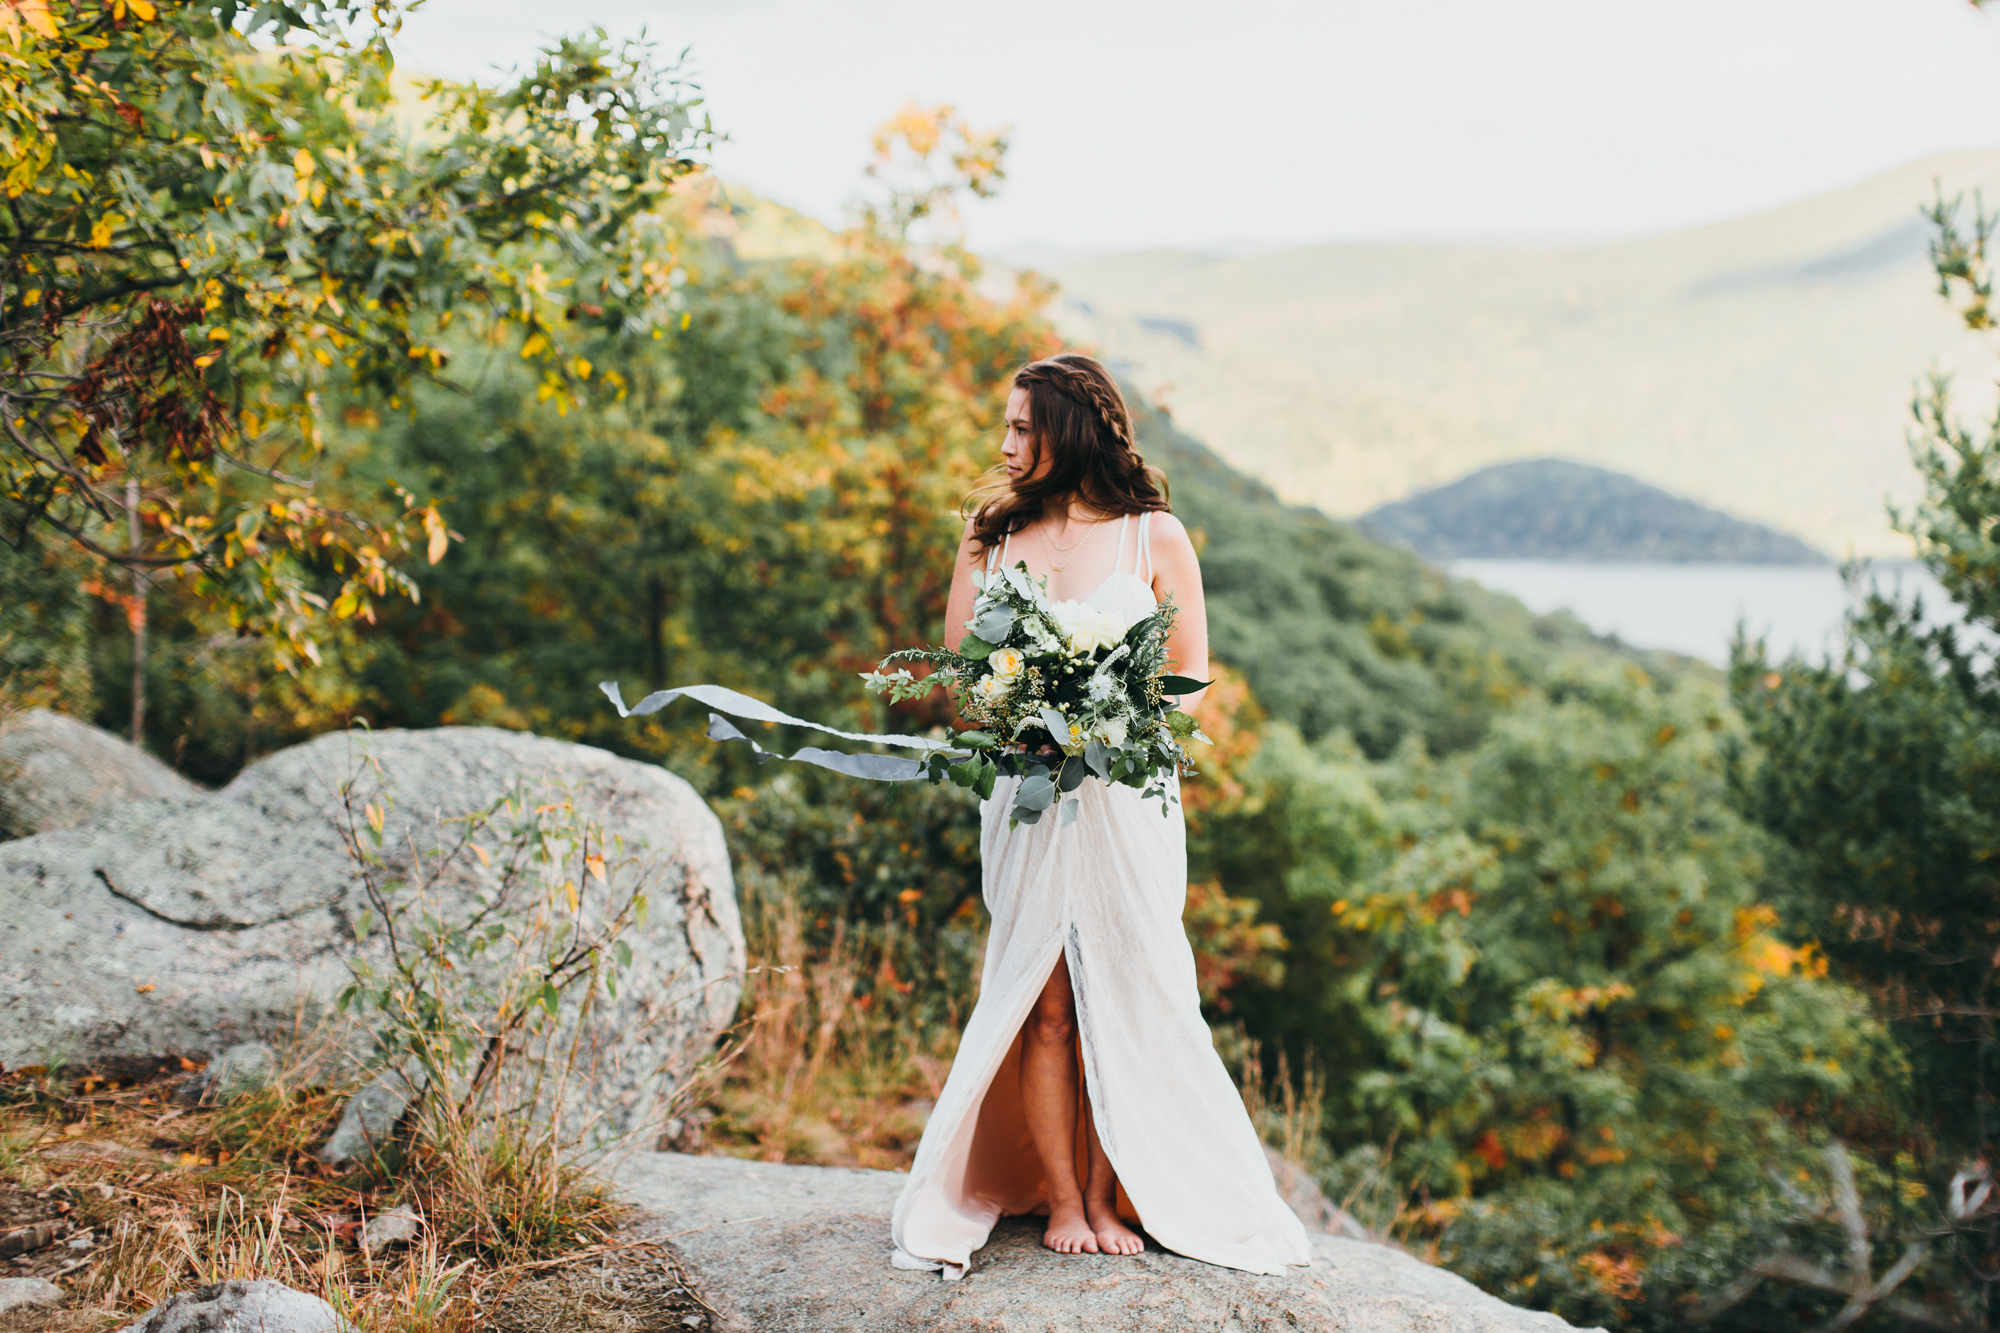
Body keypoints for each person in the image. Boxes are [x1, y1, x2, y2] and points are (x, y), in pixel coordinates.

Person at [888, 353, 1313, 1279]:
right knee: (1042, 1003)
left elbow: (1192, 676)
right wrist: (1031, 716)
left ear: (1068, 433)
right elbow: (965, 675)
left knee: (1127, 987)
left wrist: (1113, 722)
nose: (1003, 445)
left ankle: (1122, 1190)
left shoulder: (1154, 537)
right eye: (1004, 427)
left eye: (1020, 429)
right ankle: (1064, 1198)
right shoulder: (988, 535)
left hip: (1124, 800)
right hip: (1030, 799)